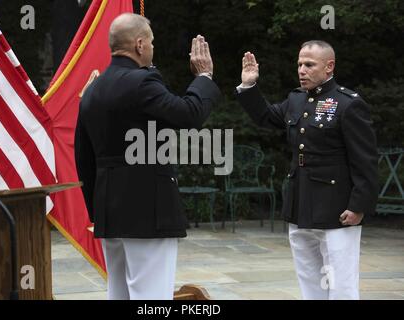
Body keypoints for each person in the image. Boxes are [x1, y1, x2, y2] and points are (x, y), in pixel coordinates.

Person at [74, 13, 221, 300]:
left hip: (109, 210)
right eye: (151, 42)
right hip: (147, 208)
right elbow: (187, 115)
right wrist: (204, 77)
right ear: (140, 45)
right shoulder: (141, 82)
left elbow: (83, 155)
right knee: (152, 296)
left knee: (119, 293)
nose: (153, 48)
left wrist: (96, 209)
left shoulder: (93, 90)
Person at [236, 40, 378, 299]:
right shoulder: (296, 99)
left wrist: (359, 205)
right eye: (299, 64)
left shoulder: (348, 103)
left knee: (341, 283)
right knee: (309, 280)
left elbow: (365, 159)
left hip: (337, 207)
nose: (302, 70)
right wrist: (248, 86)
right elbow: (266, 117)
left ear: (329, 67)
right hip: (300, 202)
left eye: (309, 64)